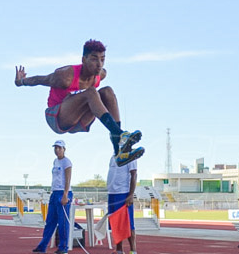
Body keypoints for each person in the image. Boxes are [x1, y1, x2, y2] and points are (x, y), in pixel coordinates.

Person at [15, 39, 144, 166]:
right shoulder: (66, 76)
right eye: (94, 59)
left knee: (107, 92)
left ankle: (118, 152)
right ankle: (120, 134)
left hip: (79, 120)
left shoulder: (101, 74)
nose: (99, 64)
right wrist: (21, 82)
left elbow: (102, 80)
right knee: (91, 92)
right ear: (83, 60)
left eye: (102, 59)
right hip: (57, 117)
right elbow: (41, 79)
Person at [34, 140, 73, 254]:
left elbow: (68, 179)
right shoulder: (55, 161)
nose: (57, 150)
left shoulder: (67, 162)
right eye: (55, 148)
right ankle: (43, 245)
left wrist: (65, 194)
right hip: (54, 192)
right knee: (50, 221)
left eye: (59, 148)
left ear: (64, 149)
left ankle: (63, 246)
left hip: (63, 192)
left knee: (63, 222)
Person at [104, 153, 140, 254]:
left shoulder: (130, 156)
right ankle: (119, 251)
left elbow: (134, 175)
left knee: (128, 223)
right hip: (112, 193)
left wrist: (130, 194)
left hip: (123, 193)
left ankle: (134, 252)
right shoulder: (113, 157)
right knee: (115, 222)